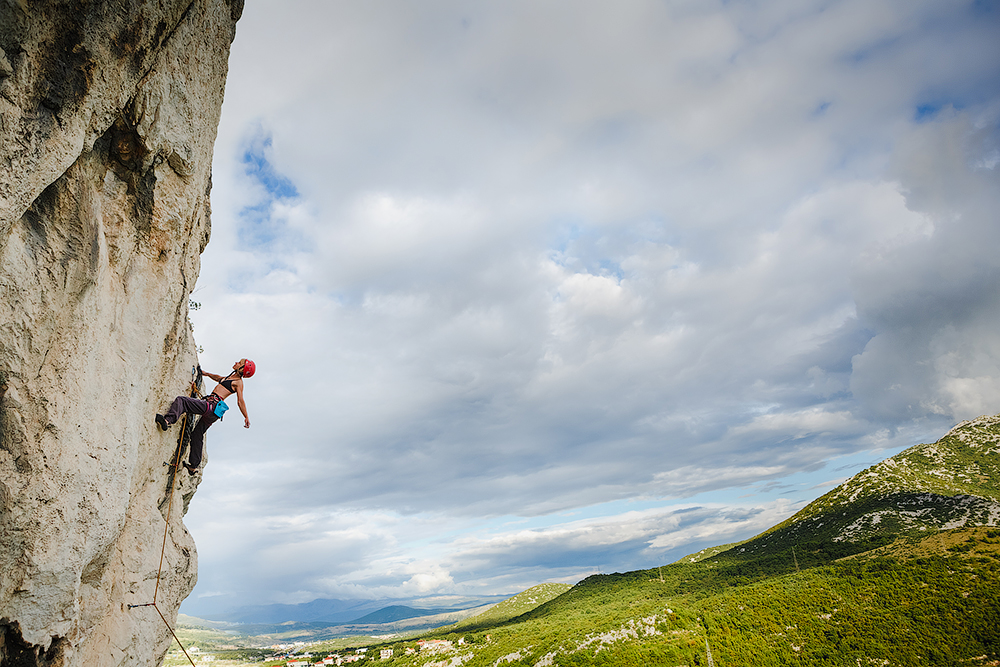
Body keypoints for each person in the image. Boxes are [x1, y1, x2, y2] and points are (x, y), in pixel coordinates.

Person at [156, 358, 255, 474]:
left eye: (239, 363)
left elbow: (240, 401)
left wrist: (246, 416)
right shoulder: (229, 378)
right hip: (213, 413)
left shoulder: (238, 382)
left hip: (211, 406)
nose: (236, 363)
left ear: (243, 369)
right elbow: (218, 377)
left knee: (182, 401)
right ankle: (193, 466)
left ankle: (167, 421)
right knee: (197, 434)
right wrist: (206, 374)